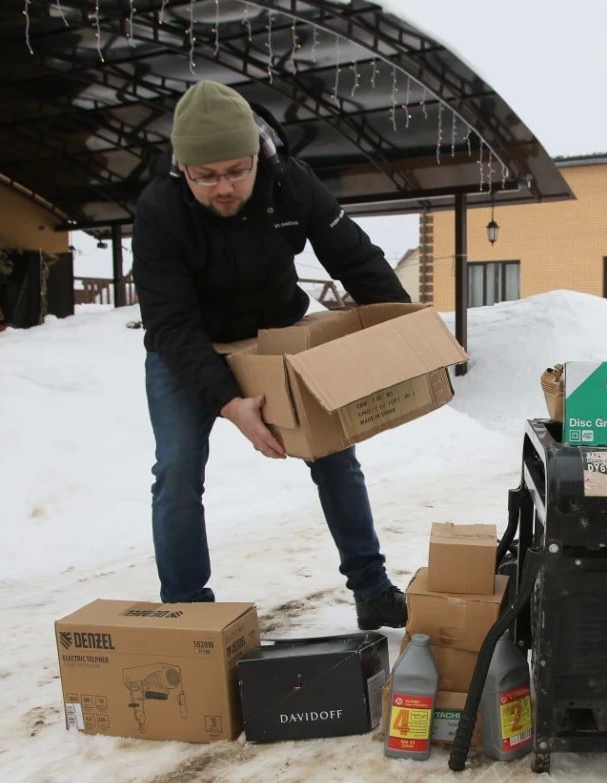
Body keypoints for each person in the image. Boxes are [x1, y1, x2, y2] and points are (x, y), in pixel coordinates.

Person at [132, 80, 409, 630]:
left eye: (237, 170)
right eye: (205, 176)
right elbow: (171, 325)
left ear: (258, 156)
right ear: (182, 169)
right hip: (190, 346)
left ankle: (372, 587)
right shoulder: (159, 209)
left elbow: (356, 261)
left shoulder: (292, 183)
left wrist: (405, 333)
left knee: (335, 454)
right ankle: (188, 614)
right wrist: (230, 403)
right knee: (178, 470)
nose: (224, 187)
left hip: (273, 334)